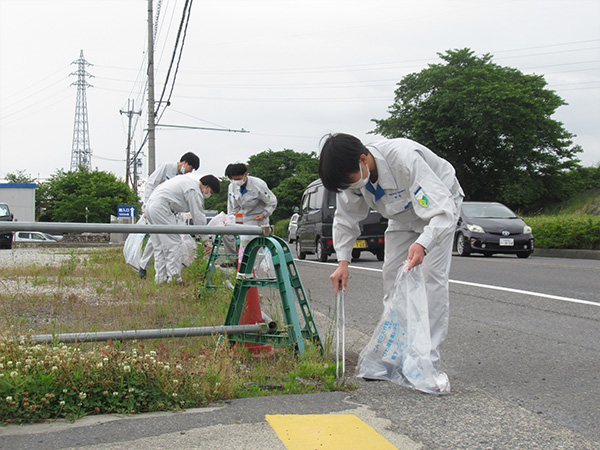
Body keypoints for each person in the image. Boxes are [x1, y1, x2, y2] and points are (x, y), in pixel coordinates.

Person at [319, 133, 464, 372]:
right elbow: (346, 220)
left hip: (440, 208)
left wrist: (424, 243)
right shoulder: (353, 181)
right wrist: (343, 262)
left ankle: (426, 363)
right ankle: (395, 354)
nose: (350, 187)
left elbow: (443, 212)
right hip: (401, 215)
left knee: (430, 280)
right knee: (392, 278)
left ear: (363, 159)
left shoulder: (404, 158)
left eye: (350, 180)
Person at [145, 174, 220, 284]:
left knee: (159, 246)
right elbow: (198, 218)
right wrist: (206, 240)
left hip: (151, 206)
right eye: (211, 192)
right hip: (161, 207)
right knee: (174, 243)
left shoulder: (187, 181)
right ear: (207, 187)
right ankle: (175, 278)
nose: (209, 194)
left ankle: (160, 279)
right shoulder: (194, 190)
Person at [137, 152, 200, 278]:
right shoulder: (166, 167)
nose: (189, 172)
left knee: (158, 240)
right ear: (185, 162)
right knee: (158, 240)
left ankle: (156, 272)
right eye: (190, 168)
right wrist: (146, 205)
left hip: (169, 211)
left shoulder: (181, 177)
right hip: (156, 206)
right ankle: (146, 267)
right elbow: (150, 184)